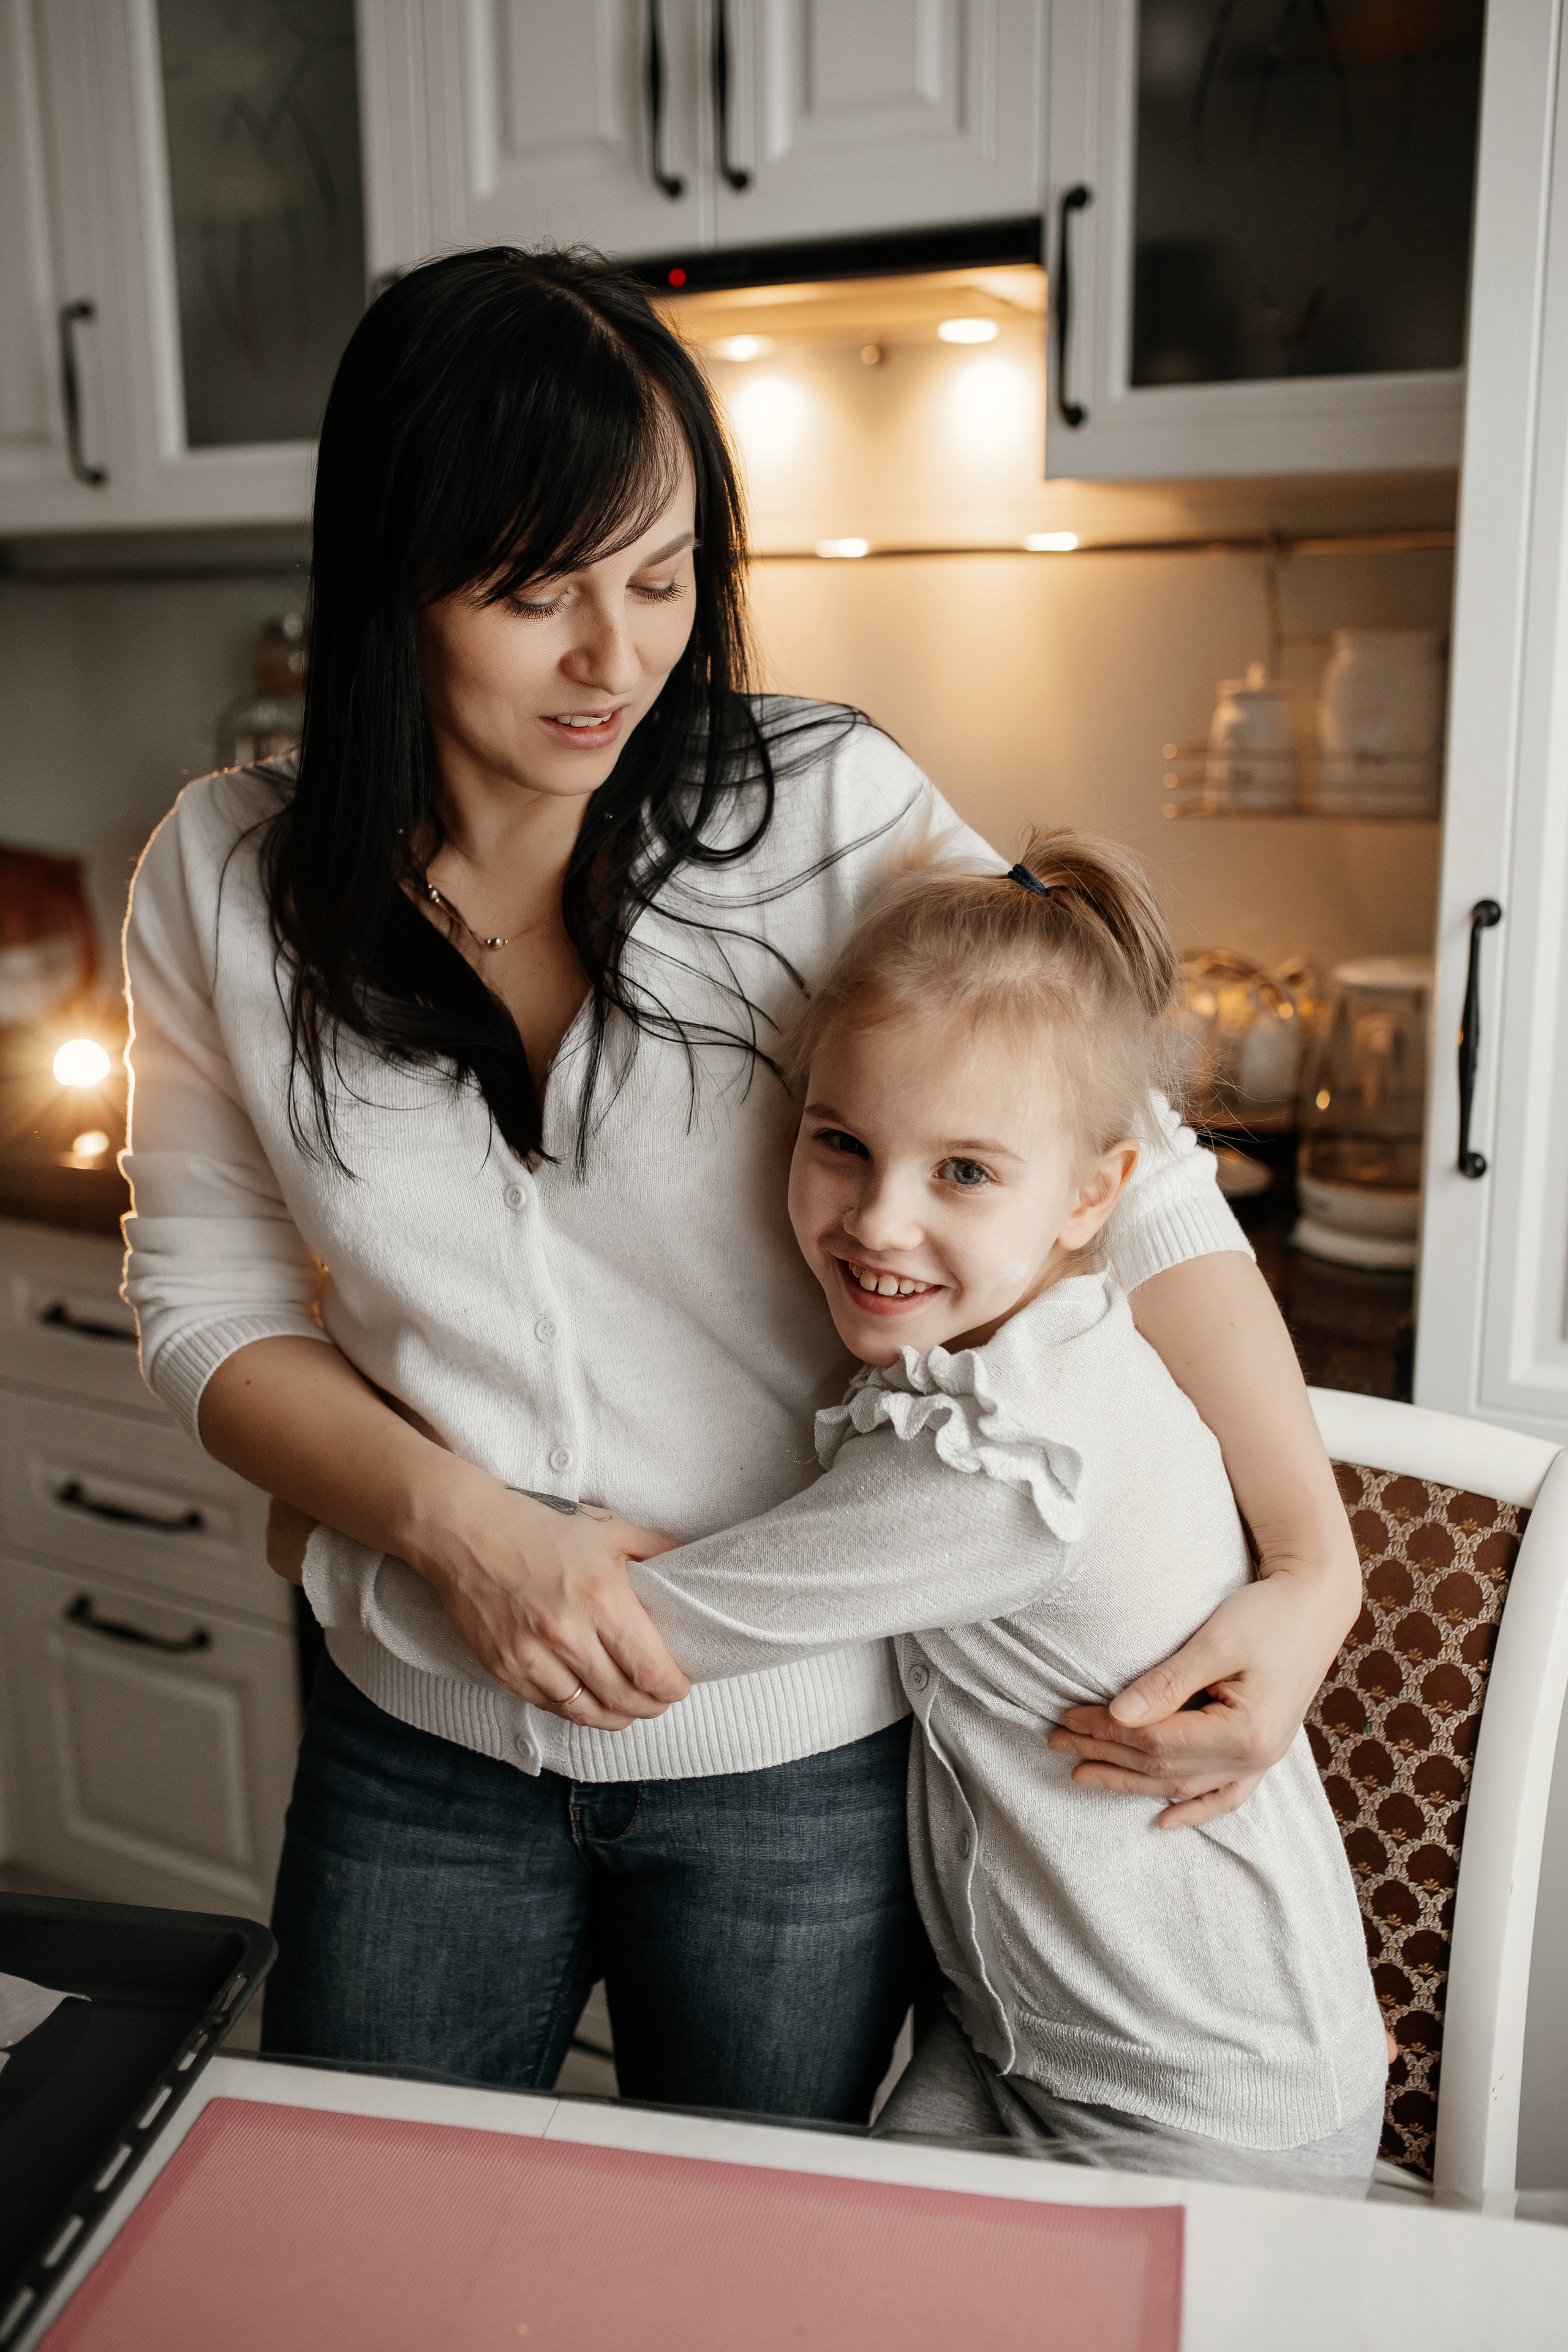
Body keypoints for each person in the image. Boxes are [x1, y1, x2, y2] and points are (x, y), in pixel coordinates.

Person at [121, 246, 1360, 2122]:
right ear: (390, 572)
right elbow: (200, 1301)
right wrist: (454, 1526)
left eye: (660, 577)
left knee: (751, 2282)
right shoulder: (222, 877)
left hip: (790, 1772)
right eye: (538, 592)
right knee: (368, 2259)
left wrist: (1313, 1555)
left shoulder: (818, 812)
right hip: (419, 1747)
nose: (616, 657)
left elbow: (1138, 1160)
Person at [621, 830, 1389, 2187]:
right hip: (1018, 2040)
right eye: (841, 1143)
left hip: (1195, 2096)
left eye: (963, 1173)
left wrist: (365, 1537)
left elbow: (648, 1632)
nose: (877, 1221)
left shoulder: (993, 1460)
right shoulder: (1045, 1349)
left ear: (1095, 1194)